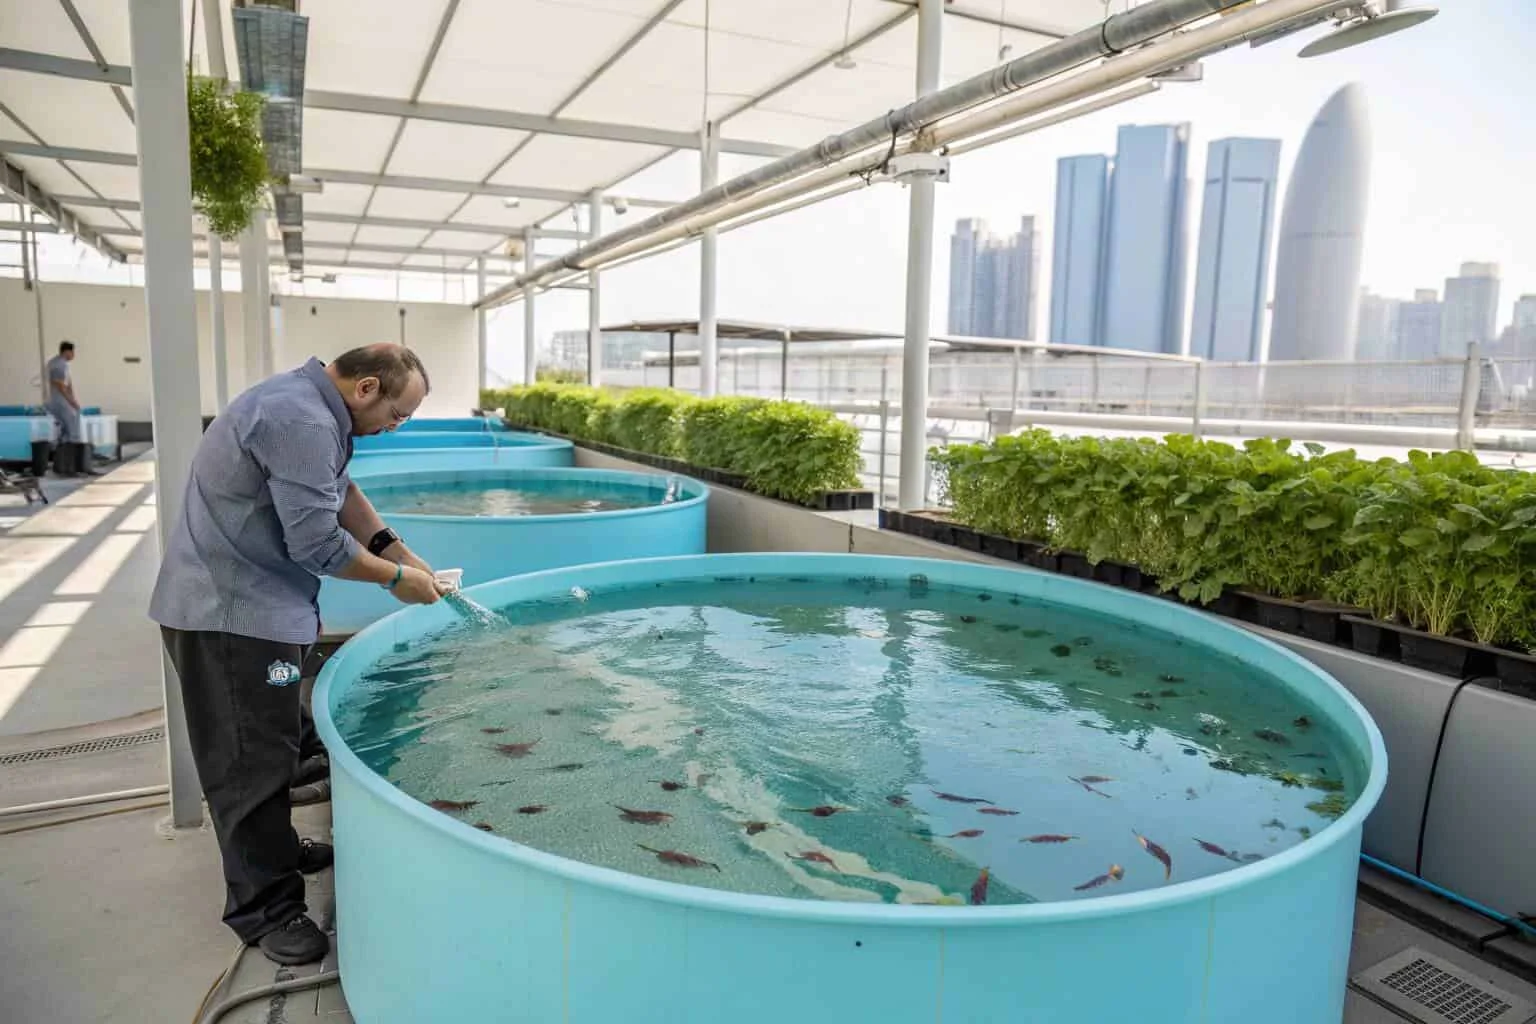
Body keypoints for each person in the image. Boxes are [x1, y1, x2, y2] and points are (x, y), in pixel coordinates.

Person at [150, 344, 449, 965]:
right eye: (398, 417)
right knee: (249, 768)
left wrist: (400, 551)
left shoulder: (311, 409)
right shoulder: (299, 419)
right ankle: (266, 911)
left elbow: (340, 492)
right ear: (367, 388)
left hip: (264, 615)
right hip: (231, 623)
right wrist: (398, 583)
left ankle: (277, 853)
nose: (395, 430)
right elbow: (317, 543)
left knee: (280, 741)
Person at [45, 340, 99, 477]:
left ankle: (63, 467)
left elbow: (68, 385)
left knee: (65, 434)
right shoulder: (59, 364)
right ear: (66, 351)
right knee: (72, 435)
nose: (74, 354)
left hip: (62, 402)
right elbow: (60, 385)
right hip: (60, 402)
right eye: (72, 351)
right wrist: (71, 401)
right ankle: (70, 469)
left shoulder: (61, 364)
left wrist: (73, 400)